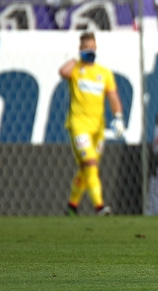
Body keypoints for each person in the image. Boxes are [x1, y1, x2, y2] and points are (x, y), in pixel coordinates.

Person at [59, 32, 125, 216]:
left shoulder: (104, 73)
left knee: (87, 168)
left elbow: (113, 96)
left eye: (93, 47)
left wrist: (118, 117)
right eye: (87, 47)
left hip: (98, 127)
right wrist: (76, 59)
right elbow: (63, 72)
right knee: (90, 163)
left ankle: (72, 207)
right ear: (81, 49)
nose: (91, 50)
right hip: (78, 125)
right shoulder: (76, 70)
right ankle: (99, 206)